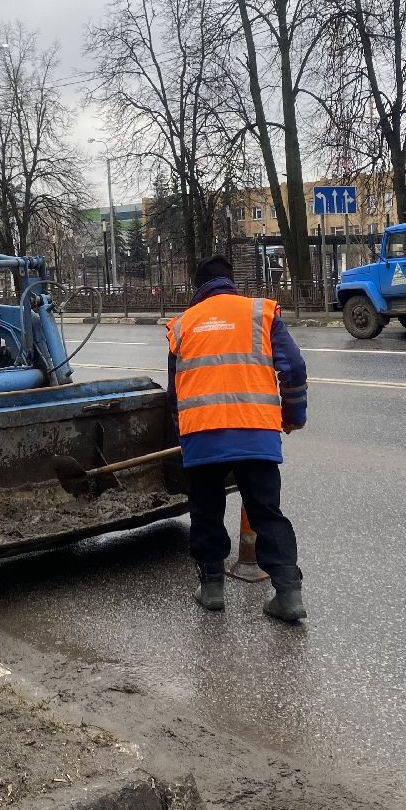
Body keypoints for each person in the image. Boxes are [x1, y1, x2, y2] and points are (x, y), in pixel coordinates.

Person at [166, 255, 308, 623]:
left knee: (206, 510)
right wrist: (293, 416)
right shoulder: (260, 313)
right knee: (266, 512)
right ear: (231, 283)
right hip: (256, 433)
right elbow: (293, 367)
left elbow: (174, 396)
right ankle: (288, 593)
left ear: (198, 288)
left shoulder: (183, 324)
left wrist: (185, 435)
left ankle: (212, 587)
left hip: (202, 435)